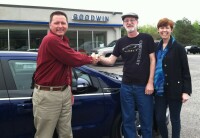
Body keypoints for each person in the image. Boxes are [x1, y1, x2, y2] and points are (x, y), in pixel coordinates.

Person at [32, 11, 98, 138]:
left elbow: (66, 67)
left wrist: (67, 89)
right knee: (44, 134)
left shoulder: (62, 41)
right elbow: (73, 58)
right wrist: (91, 59)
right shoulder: (50, 40)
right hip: (48, 95)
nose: (60, 26)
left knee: (66, 133)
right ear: (50, 25)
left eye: (63, 23)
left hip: (63, 93)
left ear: (67, 24)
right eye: (56, 23)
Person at [98, 12, 156, 138]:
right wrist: (99, 58)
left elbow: (153, 60)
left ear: (137, 22)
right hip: (126, 86)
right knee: (128, 119)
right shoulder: (120, 42)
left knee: (146, 118)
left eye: (132, 20)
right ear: (123, 24)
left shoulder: (146, 38)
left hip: (144, 87)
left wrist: (150, 82)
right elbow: (111, 61)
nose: (129, 22)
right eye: (126, 21)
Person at [154, 18, 192, 138]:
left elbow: (185, 70)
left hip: (175, 89)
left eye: (167, 28)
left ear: (171, 30)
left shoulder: (178, 47)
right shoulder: (156, 47)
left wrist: (186, 91)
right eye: (162, 27)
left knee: (175, 119)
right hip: (159, 89)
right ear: (158, 29)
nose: (164, 30)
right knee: (159, 118)